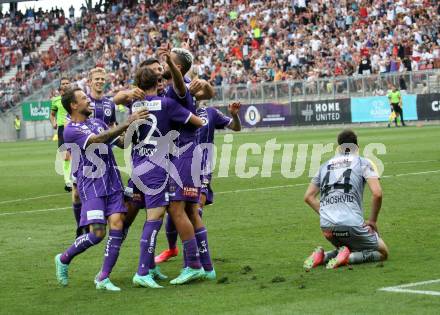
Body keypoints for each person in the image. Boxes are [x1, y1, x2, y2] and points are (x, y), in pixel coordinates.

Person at [54, 87, 149, 291]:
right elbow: (97, 140)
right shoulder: (71, 129)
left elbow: (121, 143)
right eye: (83, 98)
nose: (88, 101)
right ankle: (63, 258)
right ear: (73, 105)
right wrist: (127, 122)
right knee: (97, 234)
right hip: (92, 185)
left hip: (112, 182)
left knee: (117, 225)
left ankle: (103, 277)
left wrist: (135, 128)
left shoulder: (98, 123)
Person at [129, 66, 204, 288]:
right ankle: (143, 271)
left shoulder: (135, 105)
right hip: (158, 165)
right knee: (155, 217)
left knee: (154, 215)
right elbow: (197, 122)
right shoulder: (167, 104)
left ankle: (149, 268)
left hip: (138, 163)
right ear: (157, 83)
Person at [155, 102, 242, 276]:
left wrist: (233, 115)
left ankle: (197, 264)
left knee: (195, 212)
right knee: (174, 212)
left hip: (202, 170)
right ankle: (173, 249)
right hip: (178, 166)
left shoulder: (210, 112)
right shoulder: (176, 110)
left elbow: (236, 127)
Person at [303, 129, 389, 270]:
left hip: (327, 228)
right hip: (351, 224)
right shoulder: (363, 162)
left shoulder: (324, 166)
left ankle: (324, 256)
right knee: (383, 252)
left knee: (351, 244)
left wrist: (327, 213)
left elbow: (308, 197)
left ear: (339, 148)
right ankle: (350, 258)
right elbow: (377, 193)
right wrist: (372, 221)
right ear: (357, 146)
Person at [70, 67, 118, 236]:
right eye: (96, 79)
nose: (99, 82)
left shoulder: (109, 104)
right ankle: (80, 227)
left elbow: (112, 127)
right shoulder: (81, 102)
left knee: (104, 189)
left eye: (102, 79)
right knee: (76, 193)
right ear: (89, 82)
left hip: (104, 157)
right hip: (83, 156)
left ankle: (99, 220)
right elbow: (73, 127)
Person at [50, 77, 72, 192]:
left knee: (77, 154)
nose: (65, 85)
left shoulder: (75, 98)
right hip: (62, 129)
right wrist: (53, 122)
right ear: (60, 86)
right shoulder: (56, 100)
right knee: (66, 156)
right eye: (63, 83)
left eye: (67, 83)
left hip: (74, 128)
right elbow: (52, 114)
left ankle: (75, 178)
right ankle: (68, 181)